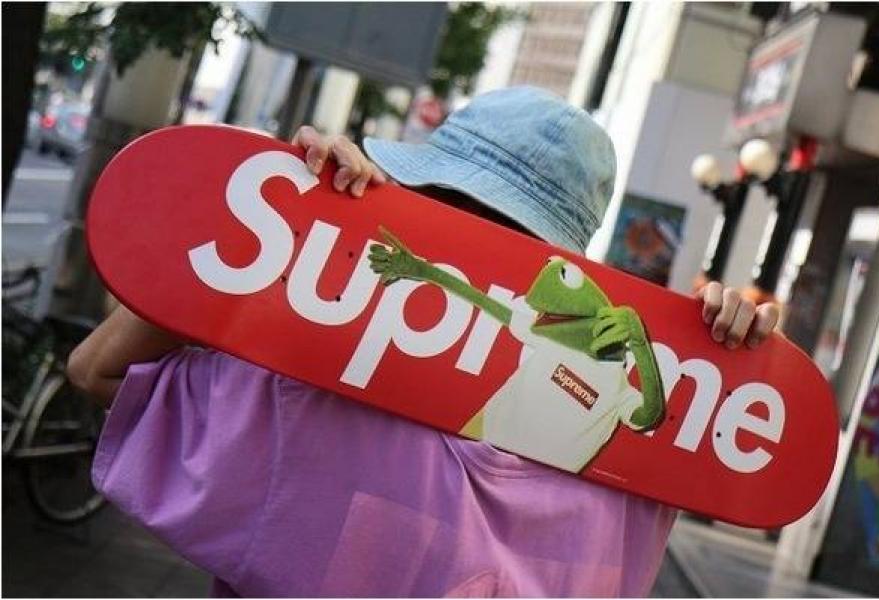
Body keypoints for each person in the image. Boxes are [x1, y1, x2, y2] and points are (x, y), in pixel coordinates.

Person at [68, 87, 779, 597]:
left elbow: (100, 369)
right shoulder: (600, 492)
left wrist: (285, 237)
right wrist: (715, 369)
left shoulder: (305, 397)